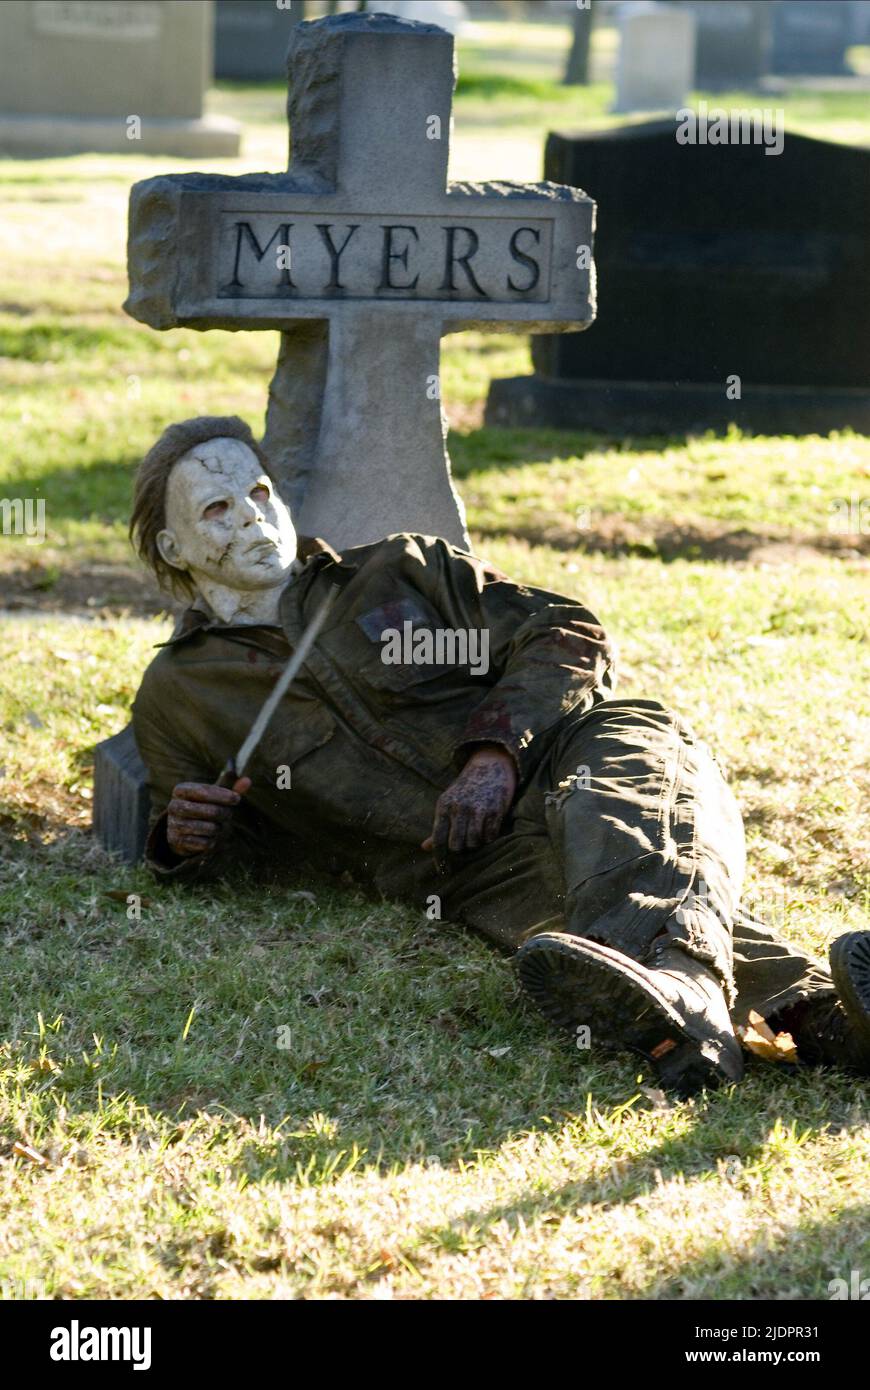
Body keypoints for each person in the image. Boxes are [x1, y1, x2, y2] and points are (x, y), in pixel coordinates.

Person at [129, 415, 870, 1097]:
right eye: (216, 510)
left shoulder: (399, 567)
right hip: (469, 868)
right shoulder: (182, 690)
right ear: (174, 548)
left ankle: (686, 1002)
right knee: (615, 902)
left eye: (259, 492)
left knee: (628, 775)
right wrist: (186, 840)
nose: (253, 516)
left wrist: (495, 756)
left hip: (569, 758)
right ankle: (825, 1021)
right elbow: (214, 837)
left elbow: (565, 632)